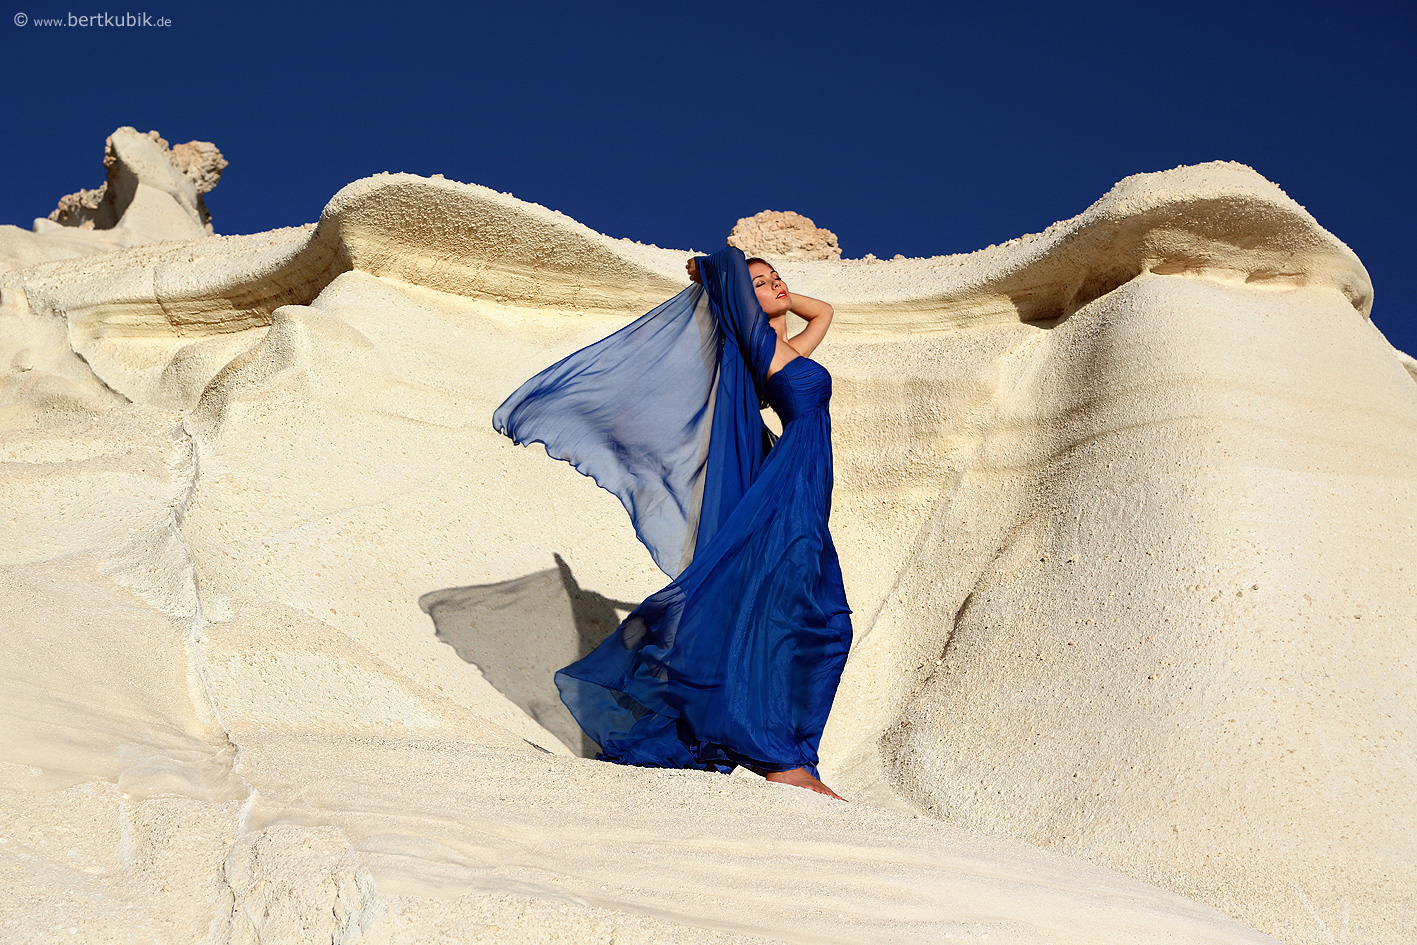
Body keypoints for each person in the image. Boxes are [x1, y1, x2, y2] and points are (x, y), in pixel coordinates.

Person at [493, 247, 852, 799]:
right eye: (762, 282)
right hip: (789, 481)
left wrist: (770, 292)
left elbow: (823, 310)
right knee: (812, 615)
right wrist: (717, 272)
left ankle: (786, 752)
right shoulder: (756, 348)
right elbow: (735, 278)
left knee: (802, 606)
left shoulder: (786, 346)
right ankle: (781, 757)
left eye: (780, 277)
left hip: (804, 476)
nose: (779, 286)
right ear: (739, 301)